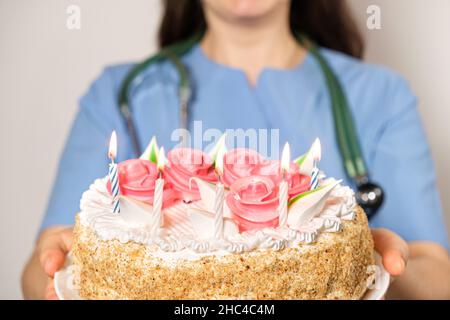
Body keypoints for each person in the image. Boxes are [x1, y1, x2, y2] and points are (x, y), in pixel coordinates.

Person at [22, 0, 449, 299]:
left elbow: (438, 274)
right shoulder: (122, 95)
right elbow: (37, 273)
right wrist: (62, 264)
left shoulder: (379, 95)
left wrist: (366, 260)